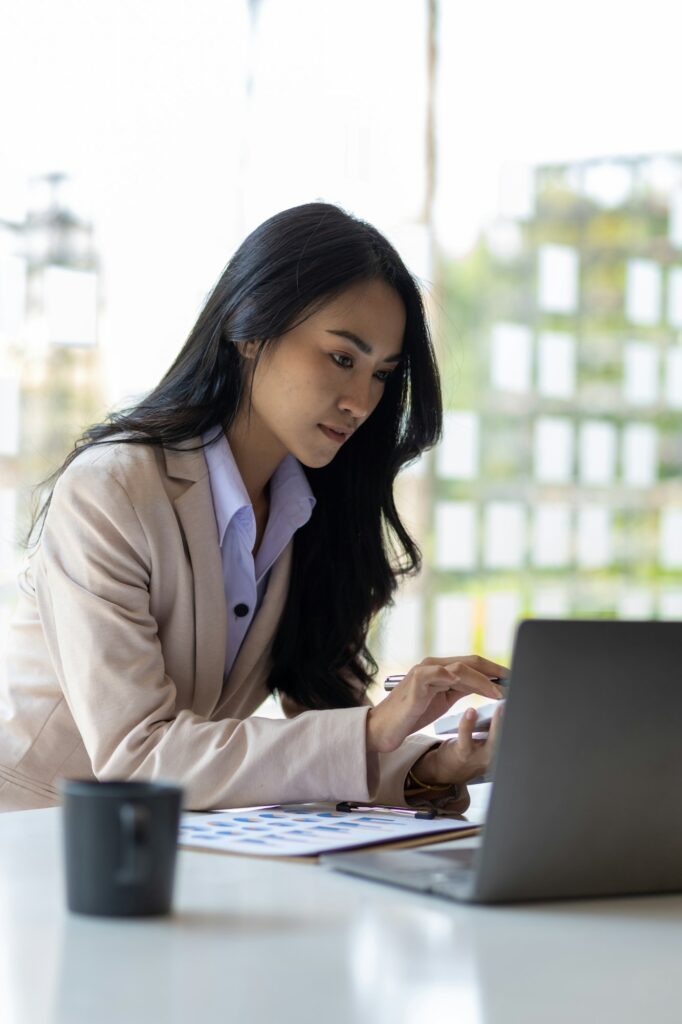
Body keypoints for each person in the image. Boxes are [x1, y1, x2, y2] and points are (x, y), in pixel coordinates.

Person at [0, 202, 505, 813]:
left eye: (381, 375)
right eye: (343, 358)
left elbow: (323, 744)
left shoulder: (319, 511)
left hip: (176, 850)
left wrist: (436, 761)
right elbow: (137, 757)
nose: (361, 401)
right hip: (29, 837)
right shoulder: (114, 491)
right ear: (249, 329)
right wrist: (373, 731)